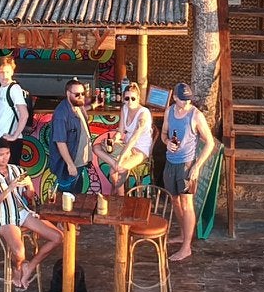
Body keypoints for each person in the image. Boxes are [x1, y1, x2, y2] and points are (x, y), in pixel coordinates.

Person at [0, 138, 62, 291]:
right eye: (1, 155)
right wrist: (9, 188)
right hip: (4, 216)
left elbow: (29, 195)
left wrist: (30, 187)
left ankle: (29, 267)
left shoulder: (17, 170)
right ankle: (17, 268)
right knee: (19, 252)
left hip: (22, 212)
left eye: (7, 153)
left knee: (58, 237)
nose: (5, 158)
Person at [160, 82, 216, 262]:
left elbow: (210, 143)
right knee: (175, 200)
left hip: (187, 164)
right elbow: (163, 133)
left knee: (186, 203)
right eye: (183, 99)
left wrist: (197, 166)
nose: (186, 103)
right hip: (170, 162)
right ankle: (183, 235)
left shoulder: (196, 115)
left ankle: (186, 248)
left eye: (188, 100)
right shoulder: (169, 111)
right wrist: (167, 142)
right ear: (175, 97)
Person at [91, 81, 155, 194]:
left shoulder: (143, 114)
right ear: (123, 99)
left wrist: (121, 157)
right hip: (126, 145)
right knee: (96, 147)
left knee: (115, 171)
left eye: (133, 98)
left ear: (138, 98)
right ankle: (116, 173)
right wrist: (113, 140)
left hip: (140, 149)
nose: (130, 101)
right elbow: (120, 131)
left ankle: (119, 196)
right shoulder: (124, 108)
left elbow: (134, 138)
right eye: (127, 98)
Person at [48, 79, 94, 196]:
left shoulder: (76, 106)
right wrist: (70, 164)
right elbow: (60, 142)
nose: (81, 97)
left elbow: (84, 118)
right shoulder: (61, 114)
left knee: (77, 194)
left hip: (80, 161)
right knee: (65, 195)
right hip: (69, 164)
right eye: (77, 94)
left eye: (83, 94)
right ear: (68, 94)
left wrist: (90, 105)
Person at [0, 56, 30, 144]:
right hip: (0, 136)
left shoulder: (14, 89)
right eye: (2, 72)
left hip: (10, 138)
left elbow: (24, 115)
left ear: (12, 72)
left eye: (7, 72)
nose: (5, 75)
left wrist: (14, 136)